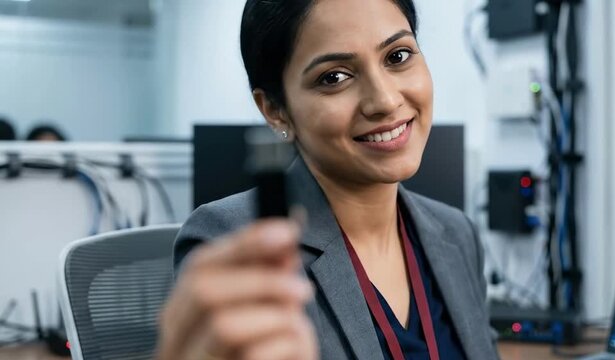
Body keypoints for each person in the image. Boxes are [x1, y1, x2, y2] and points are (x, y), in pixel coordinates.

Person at [158, 0, 498, 359]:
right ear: (275, 110)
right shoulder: (236, 242)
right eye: (334, 77)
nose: (383, 100)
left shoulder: (457, 234)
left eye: (398, 56)